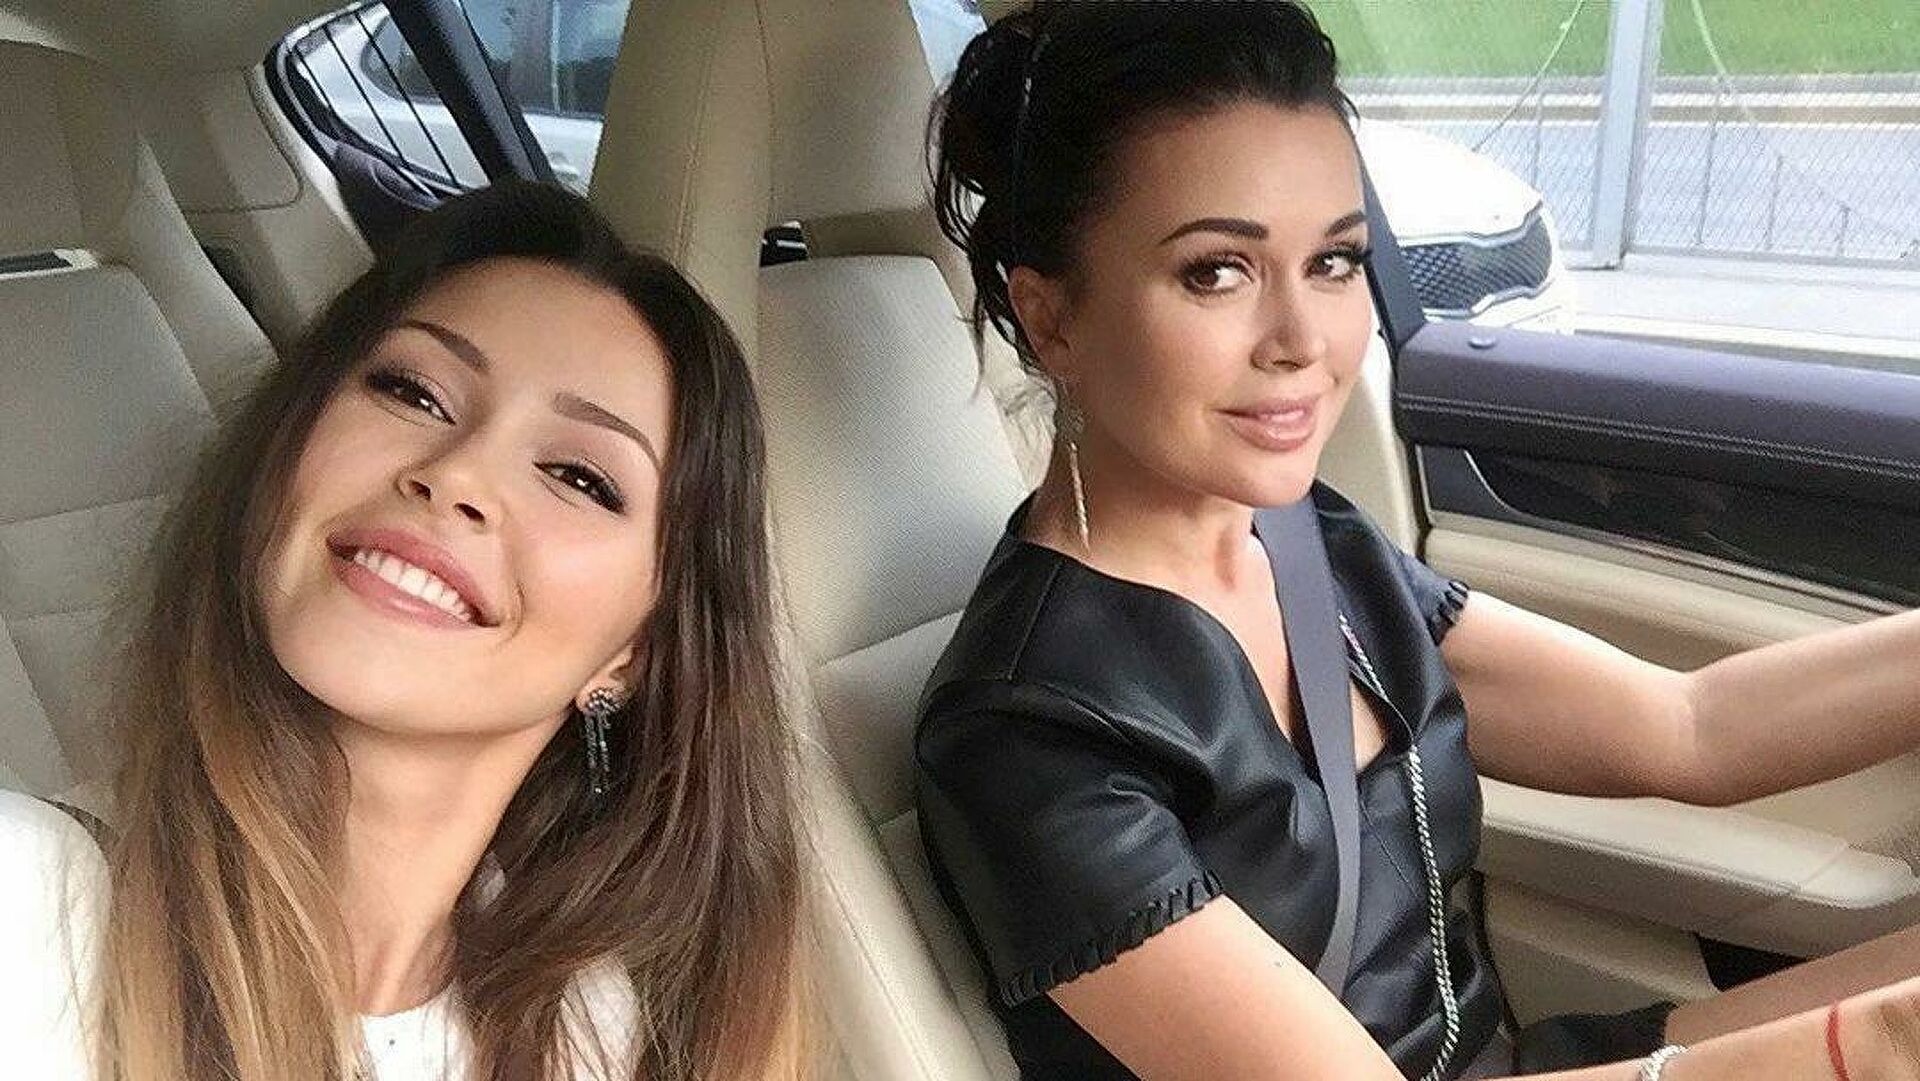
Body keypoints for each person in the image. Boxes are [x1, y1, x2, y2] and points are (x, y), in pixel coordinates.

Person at [914, 5, 1920, 1079]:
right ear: (1052, 319)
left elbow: (1691, 727)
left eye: (1335, 261)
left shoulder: (1313, 543)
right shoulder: (1024, 734)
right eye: (1217, 271)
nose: (1304, 341)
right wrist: (1861, 1049)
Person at [0, 182, 808, 1081]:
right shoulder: (26, 905)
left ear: (635, 652)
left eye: (580, 477)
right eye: (411, 391)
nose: (458, 472)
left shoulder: (593, 1026)